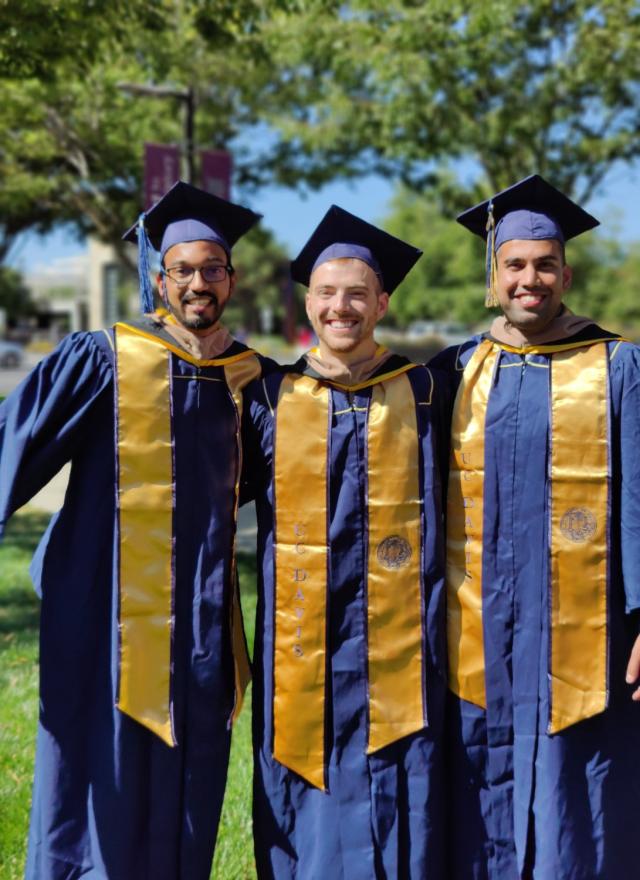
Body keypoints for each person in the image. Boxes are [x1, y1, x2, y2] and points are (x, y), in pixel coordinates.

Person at [0, 181, 267, 879]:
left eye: (213, 269)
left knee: (190, 783)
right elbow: (14, 445)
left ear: (232, 279)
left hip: (201, 624)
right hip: (105, 614)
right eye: (184, 270)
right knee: (96, 779)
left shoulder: (251, 380)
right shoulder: (103, 359)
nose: (199, 283)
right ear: (159, 278)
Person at [432, 175, 640, 879]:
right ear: (493, 278)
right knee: (478, 790)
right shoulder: (456, 371)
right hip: (478, 625)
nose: (530, 279)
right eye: (515, 265)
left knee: (577, 798)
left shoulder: (617, 367)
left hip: (585, 632)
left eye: (545, 265)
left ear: (566, 275)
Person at [243, 206, 449, 879]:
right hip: (304, 639)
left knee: (404, 773)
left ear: (382, 303)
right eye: (327, 293)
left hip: (403, 639)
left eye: (358, 294)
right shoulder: (270, 397)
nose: (342, 307)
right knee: (311, 777)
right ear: (308, 302)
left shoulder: (424, 392)